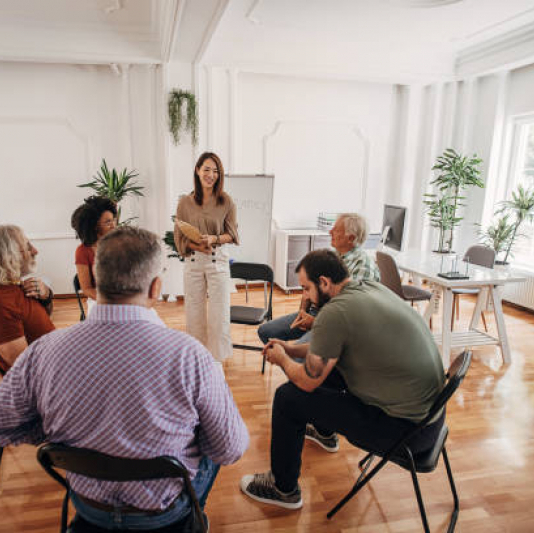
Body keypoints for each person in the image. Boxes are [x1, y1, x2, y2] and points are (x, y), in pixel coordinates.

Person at [0, 226, 249, 530]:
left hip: (89, 505)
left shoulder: (44, 351)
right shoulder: (190, 356)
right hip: (163, 514)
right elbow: (230, 449)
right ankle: (193, 515)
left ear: (96, 281)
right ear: (154, 288)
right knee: (213, 437)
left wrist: (57, 439)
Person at [240, 250, 444, 510]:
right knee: (335, 371)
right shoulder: (368, 288)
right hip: (431, 418)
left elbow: (307, 382)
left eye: (306, 288)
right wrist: (290, 349)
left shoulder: (335, 313)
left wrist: (281, 359)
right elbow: (331, 351)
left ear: (324, 282)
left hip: (406, 433)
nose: (304, 297)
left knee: (287, 398)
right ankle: (325, 434)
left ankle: (283, 489)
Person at [257, 212, 380, 345]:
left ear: (350, 238)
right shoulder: (332, 256)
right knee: (266, 331)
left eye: (336, 230)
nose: (330, 232)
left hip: (336, 324)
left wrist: (316, 323)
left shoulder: (364, 267)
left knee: (297, 356)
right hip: (316, 314)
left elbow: (350, 316)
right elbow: (308, 290)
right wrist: (302, 312)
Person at [174, 152, 239, 363]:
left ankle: (217, 362)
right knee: (194, 314)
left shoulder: (226, 201)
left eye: (215, 171)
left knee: (219, 314)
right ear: (197, 170)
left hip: (217, 261)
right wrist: (196, 245)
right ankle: (198, 360)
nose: (211, 175)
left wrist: (213, 238)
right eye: (207, 170)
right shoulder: (185, 202)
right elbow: (178, 237)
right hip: (193, 262)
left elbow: (233, 235)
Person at [0, 225, 55, 370]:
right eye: (27, 247)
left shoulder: (13, 284)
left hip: (53, 357)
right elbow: (25, 367)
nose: (35, 251)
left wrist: (46, 295)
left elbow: (43, 317)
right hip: (47, 374)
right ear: (8, 256)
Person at [71, 196, 118, 314]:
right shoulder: (83, 251)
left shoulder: (120, 244)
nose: (114, 226)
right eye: (108, 222)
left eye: (113, 220)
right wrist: (110, 301)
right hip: (99, 301)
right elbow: (87, 289)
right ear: (95, 226)